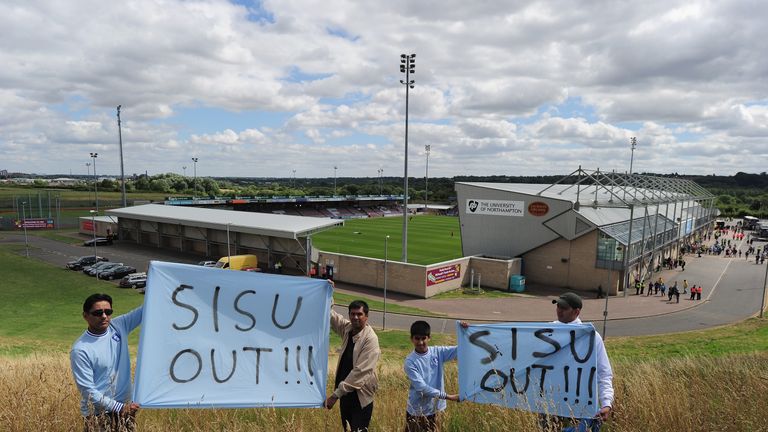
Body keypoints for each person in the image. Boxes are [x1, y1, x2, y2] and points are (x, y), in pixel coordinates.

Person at [540, 293, 614, 431]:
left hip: (578, 406)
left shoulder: (591, 337)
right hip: (550, 405)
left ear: (576, 311)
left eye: (564, 308)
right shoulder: (547, 331)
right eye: (558, 306)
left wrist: (606, 403)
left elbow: (604, 374)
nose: (559, 310)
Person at [70, 293, 143, 432]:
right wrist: (119, 407)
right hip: (98, 416)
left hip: (126, 411)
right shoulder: (80, 349)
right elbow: (88, 391)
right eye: (98, 313)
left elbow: (145, 310)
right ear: (85, 316)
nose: (104, 316)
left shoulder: (118, 326)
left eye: (108, 312)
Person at [325, 300, 381, 432]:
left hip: (360, 397)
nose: (355, 317)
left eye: (359, 314)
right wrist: (328, 292)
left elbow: (360, 372)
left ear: (366, 316)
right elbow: (331, 316)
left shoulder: (370, 339)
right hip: (345, 395)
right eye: (352, 314)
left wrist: (335, 395)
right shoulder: (348, 329)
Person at [403, 320, 468, 432]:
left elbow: (461, 350)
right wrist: (449, 397)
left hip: (436, 409)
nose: (420, 342)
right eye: (417, 338)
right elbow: (422, 388)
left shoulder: (437, 352)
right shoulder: (410, 362)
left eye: (423, 338)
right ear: (411, 339)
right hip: (417, 412)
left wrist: (466, 332)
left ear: (429, 338)